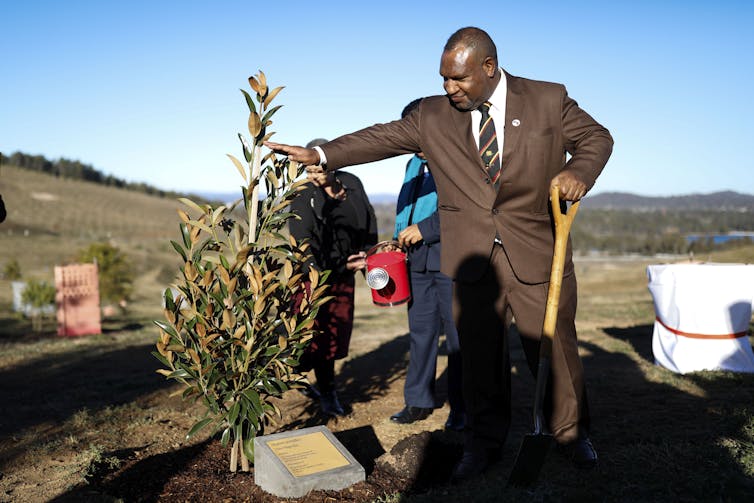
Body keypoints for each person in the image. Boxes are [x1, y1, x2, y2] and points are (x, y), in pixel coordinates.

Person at [267, 26, 613, 481]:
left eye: (459, 79)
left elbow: (596, 138)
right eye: (443, 78)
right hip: (471, 260)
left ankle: (570, 434)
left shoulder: (547, 98)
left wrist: (579, 172)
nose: (449, 88)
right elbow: (381, 137)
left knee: (554, 349)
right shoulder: (433, 115)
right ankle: (484, 443)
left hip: (536, 252)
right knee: (478, 358)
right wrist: (321, 153)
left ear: (489, 68)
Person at [289, 138, 378, 417]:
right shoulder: (302, 194)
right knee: (311, 337)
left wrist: (366, 254)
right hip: (312, 278)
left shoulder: (351, 183)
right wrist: (325, 275)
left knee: (334, 335)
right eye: (309, 171)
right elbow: (301, 242)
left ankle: (326, 389)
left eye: (319, 170)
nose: (314, 177)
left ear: (333, 166)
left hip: (344, 274)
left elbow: (368, 219)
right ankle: (316, 387)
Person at [390, 98, 465, 431]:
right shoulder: (411, 164)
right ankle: (418, 400)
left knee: (458, 338)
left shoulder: (455, 158)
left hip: (451, 258)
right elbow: (406, 207)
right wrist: (395, 241)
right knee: (420, 334)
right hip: (417, 262)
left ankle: (464, 407)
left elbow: (462, 210)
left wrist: (424, 230)